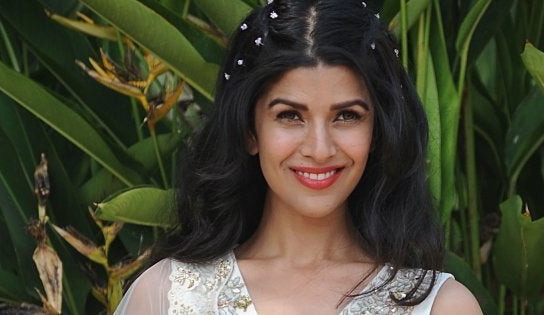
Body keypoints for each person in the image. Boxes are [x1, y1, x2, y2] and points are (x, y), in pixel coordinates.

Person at [115, 0, 482, 314]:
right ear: (249, 129)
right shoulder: (169, 296)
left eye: (347, 116)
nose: (319, 149)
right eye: (290, 116)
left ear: (378, 131)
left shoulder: (437, 306)